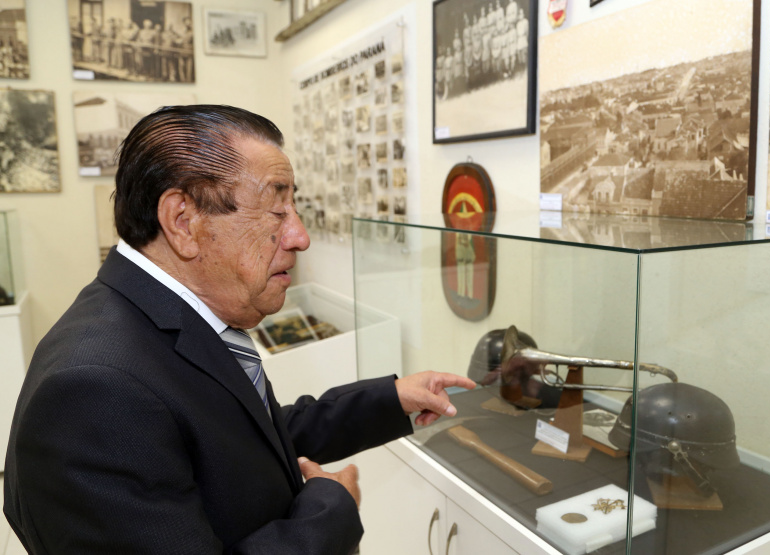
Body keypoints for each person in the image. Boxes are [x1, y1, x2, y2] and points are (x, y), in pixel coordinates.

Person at [3, 105, 475, 554]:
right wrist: (330, 509)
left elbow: (241, 440)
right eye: (277, 209)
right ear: (183, 222)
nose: (300, 236)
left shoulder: (165, 319)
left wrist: (389, 400)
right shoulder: (95, 391)